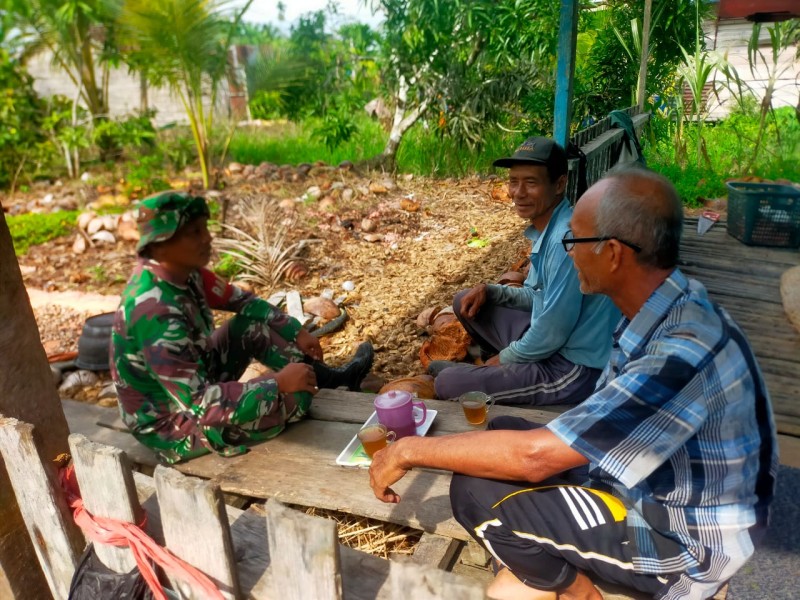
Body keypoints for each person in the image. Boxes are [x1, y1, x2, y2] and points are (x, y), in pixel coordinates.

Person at [369, 167, 779, 600]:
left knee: (475, 490)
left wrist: (407, 450)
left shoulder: (679, 355)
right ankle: (540, 565)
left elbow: (533, 459)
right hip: (654, 484)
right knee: (500, 430)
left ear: (613, 253)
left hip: (684, 545)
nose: (570, 253)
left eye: (575, 241)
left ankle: (577, 591)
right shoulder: (670, 305)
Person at [110, 191, 373, 464]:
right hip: (174, 426)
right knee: (297, 399)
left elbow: (243, 301)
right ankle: (306, 386)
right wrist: (277, 384)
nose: (207, 238)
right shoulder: (156, 314)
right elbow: (200, 405)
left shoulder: (184, 273)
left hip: (195, 384)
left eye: (204, 228)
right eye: (194, 232)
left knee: (250, 327)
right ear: (160, 246)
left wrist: (296, 331)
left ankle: (328, 380)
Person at [431, 136, 619, 406]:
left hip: (574, 367)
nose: (518, 193)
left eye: (531, 183)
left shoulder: (564, 239)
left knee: (447, 384)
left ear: (559, 184)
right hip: (555, 341)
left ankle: (483, 374)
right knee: (465, 300)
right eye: (513, 181)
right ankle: (490, 373)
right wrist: (492, 291)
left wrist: (503, 360)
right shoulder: (552, 226)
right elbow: (537, 297)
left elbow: (552, 332)